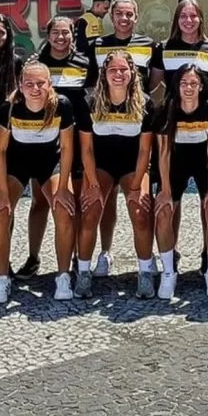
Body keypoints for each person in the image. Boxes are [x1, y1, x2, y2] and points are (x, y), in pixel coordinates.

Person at [0, 59, 77, 301]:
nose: (35, 89)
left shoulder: (62, 105)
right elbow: (0, 151)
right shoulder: (9, 106)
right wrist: (2, 191)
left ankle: (63, 276)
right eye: (29, 84)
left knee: (64, 209)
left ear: (50, 84)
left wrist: (62, 188)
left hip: (50, 162)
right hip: (17, 163)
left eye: (41, 83)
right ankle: (2, 278)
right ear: (20, 84)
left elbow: (68, 148)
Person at [86, 0, 158, 277]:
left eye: (130, 14)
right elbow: (92, 84)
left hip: (135, 124)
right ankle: (104, 253)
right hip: (105, 126)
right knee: (103, 201)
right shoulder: (98, 45)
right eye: (119, 14)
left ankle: (148, 262)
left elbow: (152, 82)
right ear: (111, 17)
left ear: (136, 18)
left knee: (139, 205)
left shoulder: (149, 45)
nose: (124, 18)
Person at [14, 16, 91, 280]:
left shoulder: (84, 62)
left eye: (66, 32)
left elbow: (90, 97)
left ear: (72, 35)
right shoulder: (35, 64)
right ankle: (33, 258)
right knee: (39, 202)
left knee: (72, 201)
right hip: (41, 139)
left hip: (75, 137)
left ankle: (76, 260)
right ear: (48, 35)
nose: (61, 37)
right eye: (55, 32)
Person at [75, 49, 156, 299]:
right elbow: (86, 149)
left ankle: (144, 272)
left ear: (133, 73)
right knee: (90, 211)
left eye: (124, 70)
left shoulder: (145, 103)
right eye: (113, 70)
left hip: (133, 165)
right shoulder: (90, 102)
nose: (118, 74)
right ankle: (83, 272)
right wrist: (92, 185)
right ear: (104, 74)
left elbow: (145, 150)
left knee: (141, 212)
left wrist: (135, 187)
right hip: (101, 165)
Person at [153, 65, 208, 299]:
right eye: (184, 83)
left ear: (202, 86)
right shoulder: (167, 108)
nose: (189, 88)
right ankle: (168, 271)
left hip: (204, 162)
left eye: (193, 83)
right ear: (177, 86)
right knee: (164, 212)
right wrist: (164, 190)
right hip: (175, 163)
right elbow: (162, 153)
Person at [149, 0, 208, 95]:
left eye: (193, 16)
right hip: (172, 109)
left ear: (200, 19)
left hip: (204, 110)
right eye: (183, 16)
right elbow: (153, 84)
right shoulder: (164, 48)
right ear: (177, 20)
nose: (188, 20)